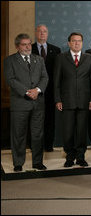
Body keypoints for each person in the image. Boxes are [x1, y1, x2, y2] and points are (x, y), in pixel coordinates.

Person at [4, 33, 48, 172]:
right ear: (17, 46)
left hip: (38, 103)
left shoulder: (39, 59)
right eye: (24, 44)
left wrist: (38, 90)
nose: (28, 46)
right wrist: (28, 92)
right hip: (20, 103)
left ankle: (37, 162)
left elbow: (44, 77)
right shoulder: (10, 60)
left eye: (29, 43)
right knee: (18, 134)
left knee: (37, 134)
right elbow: (10, 79)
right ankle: (18, 163)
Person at [54, 32, 91, 167]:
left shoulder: (89, 58)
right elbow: (56, 81)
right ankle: (69, 157)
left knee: (82, 131)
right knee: (68, 131)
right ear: (69, 43)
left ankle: (81, 157)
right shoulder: (61, 58)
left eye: (79, 41)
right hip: (67, 100)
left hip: (85, 101)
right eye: (74, 41)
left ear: (82, 43)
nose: (77, 43)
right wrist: (58, 99)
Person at [31, 24, 61, 152]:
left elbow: (58, 72)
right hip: (34, 91)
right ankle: (35, 146)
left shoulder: (56, 50)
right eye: (40, 31)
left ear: (47, 34)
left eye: (44, 31)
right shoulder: (29, 48)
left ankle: (48, 145)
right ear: (36, 33)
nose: (42, 33)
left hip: (50, 91)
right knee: (35, 120)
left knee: (50, 120)